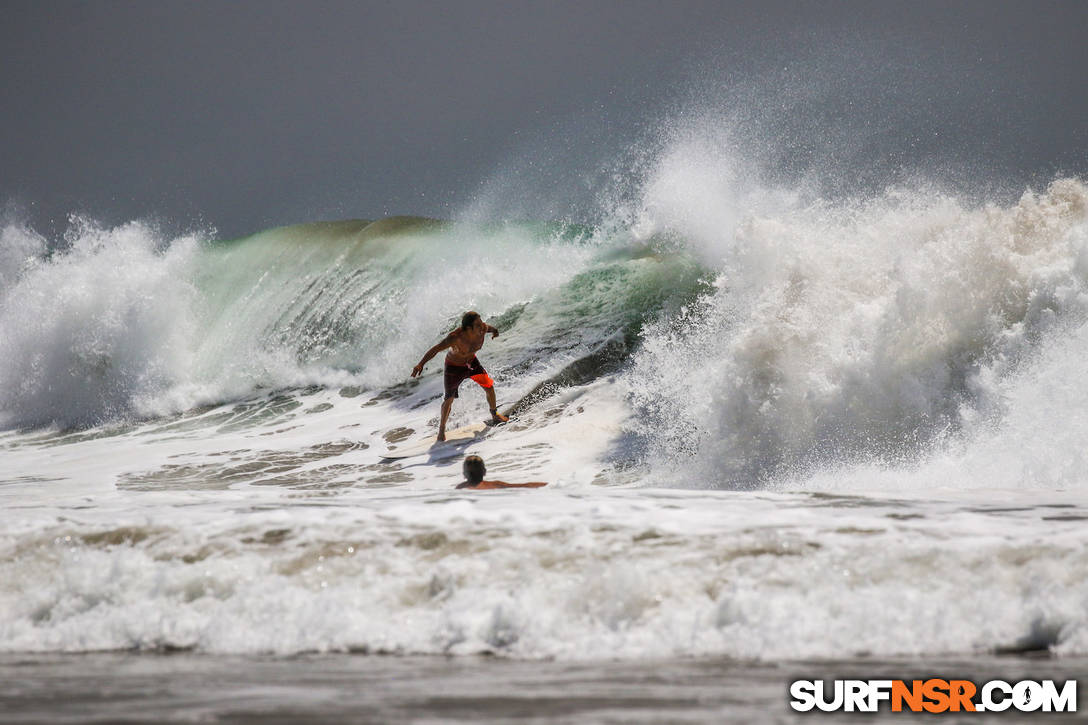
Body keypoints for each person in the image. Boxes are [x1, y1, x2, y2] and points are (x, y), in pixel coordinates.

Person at [411, 311, 509, 441]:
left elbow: (489, 328)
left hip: (471, 363)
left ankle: (495, 414)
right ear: (469, 328)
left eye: (481, 323)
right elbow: (436, 349)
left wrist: (495, 331)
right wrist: (420, 364)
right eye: (478, 325)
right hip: (454, 368)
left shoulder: (483, 328)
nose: (482, 327)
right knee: (449, 399)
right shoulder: (455, 337)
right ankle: (441, 430)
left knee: (489, 387)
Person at [455, 455, 547, 490]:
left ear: (464, 474)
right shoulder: (496, 485)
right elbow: (524, 485)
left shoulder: (460, 488)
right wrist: (550, 485)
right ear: (484, 471)